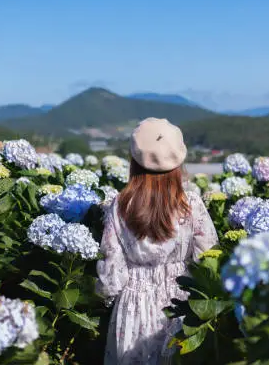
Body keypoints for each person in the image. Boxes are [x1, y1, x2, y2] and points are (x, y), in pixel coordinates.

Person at [96, 118, 218, 365]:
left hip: (133, 311)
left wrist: (100, 298)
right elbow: (208, 260)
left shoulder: (119, 206)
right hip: (180, 307)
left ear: (134, 161)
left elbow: (111, 278)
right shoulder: (191, 204)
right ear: (178, 161)